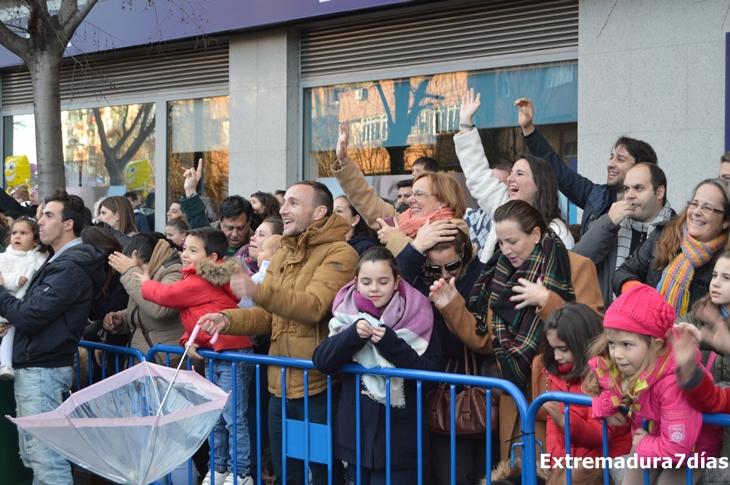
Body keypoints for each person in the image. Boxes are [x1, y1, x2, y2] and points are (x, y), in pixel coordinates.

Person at [197, 180, 358, 485]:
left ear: (319, 211)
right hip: (279, 385)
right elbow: (269, 316)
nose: (283, 209)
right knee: (288, 473)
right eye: (286, 203)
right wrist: (227, 320)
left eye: (294, 203)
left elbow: (313, 307)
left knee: (322, 473)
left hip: (316, 387)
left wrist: (257, 292)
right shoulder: (284, 252)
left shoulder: (341, 253)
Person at [428, 200, 602, 461]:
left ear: (534, 234)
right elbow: (486, 341)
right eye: (500, 242)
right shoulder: (500, 273)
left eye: (512, 241)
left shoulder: (577, 266)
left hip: (562, 400)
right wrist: (452, 306)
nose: (505, 250)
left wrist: (547, 301)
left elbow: (593, 334)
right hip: (515, 401)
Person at [0, 189, 105, 485]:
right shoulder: (58, 260)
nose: (40, 222)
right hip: (37, 366)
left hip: (42, 370)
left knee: (47, 460)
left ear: (68, 224)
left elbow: (30, 316)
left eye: (48, 215)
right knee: (36, 457)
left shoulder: (70, 266)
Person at [136, 227, 254, 485]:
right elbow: (195, 320)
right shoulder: (197, 278)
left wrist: (144, 281)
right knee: (215, 417)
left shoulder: (198, 281)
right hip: (214, 354)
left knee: (233, 418)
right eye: (184, 248)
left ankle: (240, 472)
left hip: (232, 354)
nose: (184, 254)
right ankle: (219, 468)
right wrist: (184, 340)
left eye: (193, 250)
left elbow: (165, 295)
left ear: (212, 258)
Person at [312, 246, 439, 485]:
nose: (374, 289)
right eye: (366, 281)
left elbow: (430, 376)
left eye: (382, 281)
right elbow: (322, 361)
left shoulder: (420, 314)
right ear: (356, 283)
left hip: (400, 440)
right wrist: (351, 337)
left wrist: (392, 344)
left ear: (396, 282)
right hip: (357, 437)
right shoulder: (344, 316)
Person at [584, 284, 722, 485]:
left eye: (626, 345)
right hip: (651, 437)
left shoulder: (674, 383)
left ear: (656, 345)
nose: (616, 353)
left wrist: (645, 443)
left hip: (691, 452)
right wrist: (605, 406)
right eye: (612, 343)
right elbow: (611, 380)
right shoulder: (631, 361)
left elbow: (678, 448)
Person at [396, 224, 485, 485]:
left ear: (465, 257)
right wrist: (414, 250)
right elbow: (386, 281)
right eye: (435, 269)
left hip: (473, 383)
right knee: (449, 473)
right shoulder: (418, 280)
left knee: (480, 472)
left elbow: (477, 337)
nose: (444, 275)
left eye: (452, 266)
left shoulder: (481, 275)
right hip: (435, 390)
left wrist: (447, 310)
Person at [455, 89, 574, 263]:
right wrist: (465, 123)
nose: (510, 178)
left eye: (520, 173)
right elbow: (477, 175)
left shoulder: (558, 232)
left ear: (539, 184)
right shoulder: (504, 205)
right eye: (511, 173)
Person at [515, 97, 658, 236]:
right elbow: (557, 170)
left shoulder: (659, 219)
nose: (610, 164)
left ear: (640, 168)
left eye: (620, 159)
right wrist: (528, 129)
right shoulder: (596, 196)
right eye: (611, 158)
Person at [333, 121, 469, 257]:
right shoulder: (403, 221)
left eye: (419, 194)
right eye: (411, 194)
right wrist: (344, 161)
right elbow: (366, 199)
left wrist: (395, 238)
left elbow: (430, 266)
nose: (410, 200)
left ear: (444, 200)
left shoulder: (453, 227)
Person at [613, 178, 730, 316]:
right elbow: (622, 273)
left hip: (691, 335)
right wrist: (641, 295)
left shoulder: (725, 260)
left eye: (707, 208)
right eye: (694, 204)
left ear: (726, 221)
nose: (696, 212)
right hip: (645, 329)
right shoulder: (663, 235)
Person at [538, 303, 631, 465]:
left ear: (582, 343)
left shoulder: (605, 376)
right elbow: (552, 423)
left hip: (602, 469)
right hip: (568, 468)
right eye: (553, 349)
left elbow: (603, 432)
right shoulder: (556, 374)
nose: (556, 356)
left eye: (563, 349)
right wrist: (554, 461)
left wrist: (565, 423)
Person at [573, 162, 675, 310]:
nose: (629, 196)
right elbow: (578, 261)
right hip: (609, 325)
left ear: (659, 192)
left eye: (638, 188)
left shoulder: (676, 232)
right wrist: (608, 223)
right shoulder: (612, 225)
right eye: (626, 189)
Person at [106, 233, 185, 365]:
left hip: (167, 364)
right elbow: (141, 309)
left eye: (138, 267)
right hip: (145, 361)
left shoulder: (175, 271)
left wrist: (130, 272)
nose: (136, 272)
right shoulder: (152, 270)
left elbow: (159, 309)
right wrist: (122, 319)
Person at [0, 217, 48, 380]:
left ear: (35, 241)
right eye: (14, 233)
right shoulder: (5, 257)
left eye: (23, 233)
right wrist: (15, 280)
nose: (17, 236)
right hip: (7, 305)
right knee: (8, 331)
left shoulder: (39, 259)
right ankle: (5, 363)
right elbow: (2, 277)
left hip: (25, 309)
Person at [79, 226, 129, 380]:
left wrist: (92, 280)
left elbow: (110, 312)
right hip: (107, 345)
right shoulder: (105, 273)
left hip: (123, 349)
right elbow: (95, 315)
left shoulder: (121, 273)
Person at [179, 161, 254, 255]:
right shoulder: (208, 236)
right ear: (220, 221)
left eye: (240, 228)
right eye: (229, 228)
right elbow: (198, 222)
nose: (234, 234)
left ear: (249, 221)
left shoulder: (258, 245)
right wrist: (190, 190)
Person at [239, 235, 282, 309]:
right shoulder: (285, 276)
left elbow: (245, 304)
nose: (259, 253)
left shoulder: (257, 278)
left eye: (262, 250)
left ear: (274, 256)